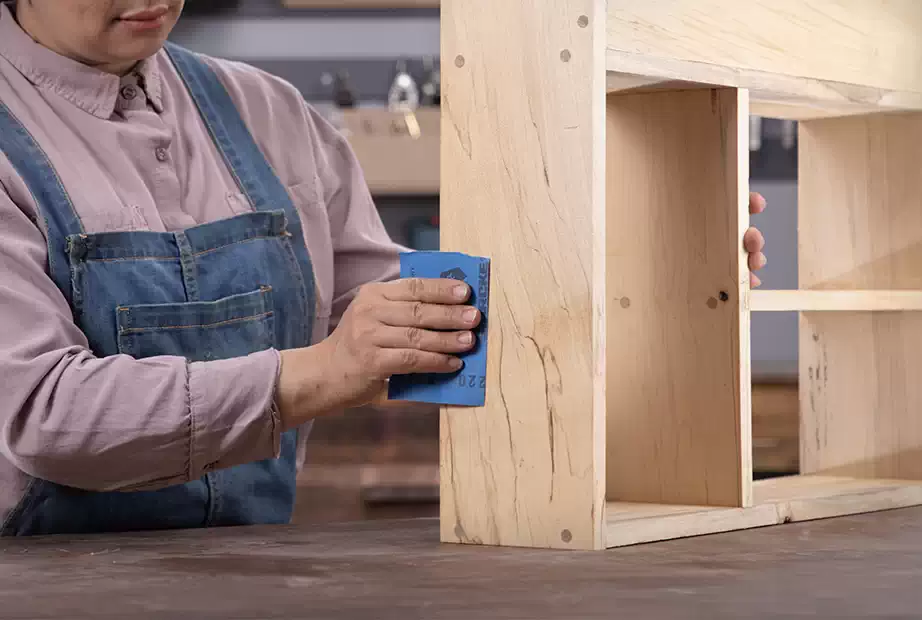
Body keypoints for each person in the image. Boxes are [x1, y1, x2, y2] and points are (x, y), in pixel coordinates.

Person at [0, 0, 768, 537]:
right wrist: (324, 372)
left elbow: (416, 318)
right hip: (47, 583)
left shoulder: (267, 111)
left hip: (243, 573)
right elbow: (43, 412)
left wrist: (657, 272)